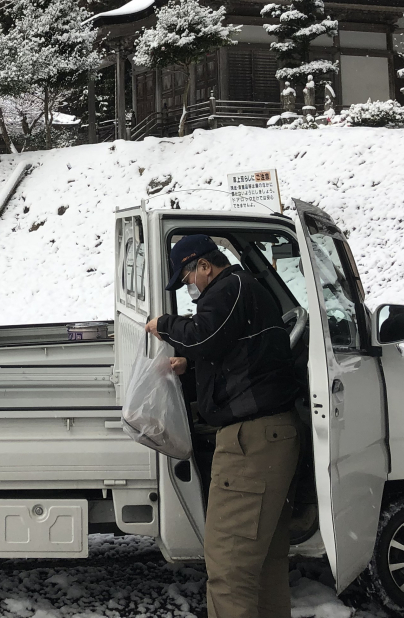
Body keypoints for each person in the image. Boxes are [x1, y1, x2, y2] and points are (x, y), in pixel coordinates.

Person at [146, 234, 302, 618]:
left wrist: (164, 325)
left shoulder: (228, 287)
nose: (190, 288)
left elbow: (205, 334)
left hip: (251, 444)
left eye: (187, 279)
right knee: (262, 566)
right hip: (272, 437)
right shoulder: (248, 290)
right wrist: (191, 364)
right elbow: (237, 352)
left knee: (229, 570)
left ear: (204, 265)